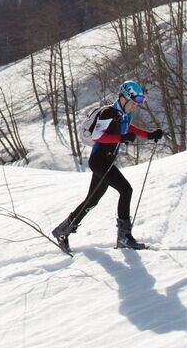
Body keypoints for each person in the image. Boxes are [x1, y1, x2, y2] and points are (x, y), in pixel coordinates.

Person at [52, 80, 163, 253]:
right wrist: (121, 138)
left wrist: (149, 135)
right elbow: (98, 136)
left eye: (136, 104)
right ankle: (124, 237)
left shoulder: (124, 115)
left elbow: (128, 128)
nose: (134, 107)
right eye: (132, 103)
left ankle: (62, 231)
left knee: (92, 200)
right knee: (126, 190)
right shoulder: (108, 112)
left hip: (106, 160)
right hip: (99, 160)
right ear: (123, 98)